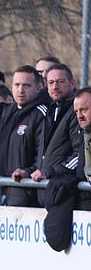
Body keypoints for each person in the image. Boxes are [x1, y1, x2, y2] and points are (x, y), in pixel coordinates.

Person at [0, 65, 48, 207]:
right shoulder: (7, 112)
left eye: (26, 85)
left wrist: (27, 172)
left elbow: (43, 156)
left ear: (39, 87)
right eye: (16, 85)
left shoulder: (42, 114)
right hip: (1, 189)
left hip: (25, 191)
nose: (20, 90)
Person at [33, 64, 81, 196]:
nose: (55, 87)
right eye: (51, 82)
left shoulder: (77, 111)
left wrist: (51, 172)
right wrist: (29, 170)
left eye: (60, 82)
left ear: (72, 83)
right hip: (47, 192)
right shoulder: (50, 111)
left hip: (66, 193)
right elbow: (43, 154)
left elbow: (80, 154)